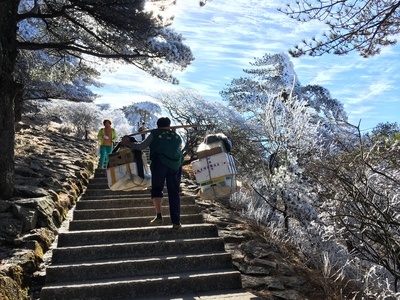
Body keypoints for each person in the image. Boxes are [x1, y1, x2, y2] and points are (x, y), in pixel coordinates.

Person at [121, 117, 184, 228]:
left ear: (157, 125)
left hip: (160, 164)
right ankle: (176, 222)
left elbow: (140, 146)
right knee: (174, 193)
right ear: (169, 125)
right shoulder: (177, 136)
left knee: (157, 189)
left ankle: (159, 216)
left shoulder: (154, 134)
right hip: (176, 165)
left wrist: (128, 143)